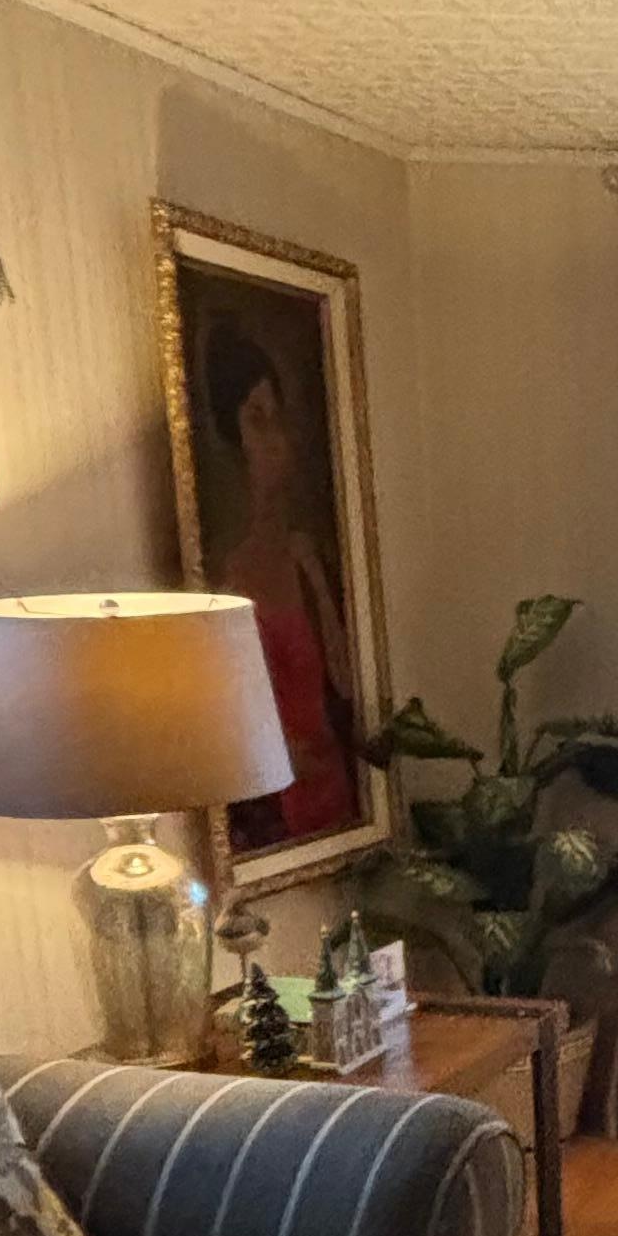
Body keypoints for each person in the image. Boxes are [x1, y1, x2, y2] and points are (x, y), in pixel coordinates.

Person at [201, 307, 360, 845]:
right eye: (255, 419)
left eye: (277, 416)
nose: (274, 439)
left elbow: (343, 680)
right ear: (233, 439)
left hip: (335, 787)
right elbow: (243, 723)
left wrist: (314, 574)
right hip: (286, 801)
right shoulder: (229, 580)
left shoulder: (303, 554)